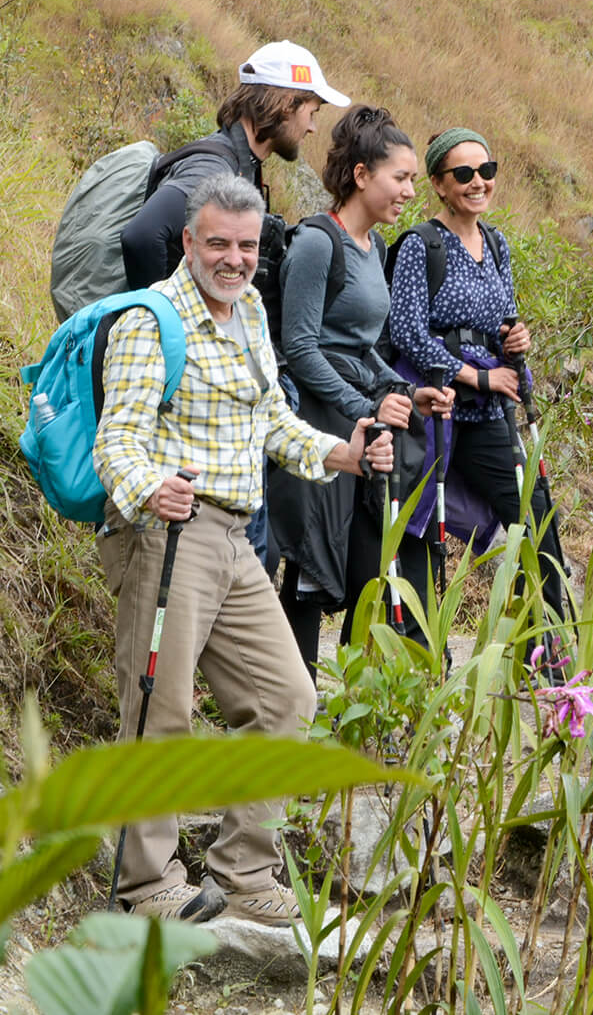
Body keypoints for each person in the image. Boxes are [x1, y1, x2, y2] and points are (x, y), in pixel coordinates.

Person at [93, 172, 392, 925]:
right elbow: (118, 439)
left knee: (287, 699)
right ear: (189, 241)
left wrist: (339, 454)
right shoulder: (150, 320)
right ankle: (145, 883)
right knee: (158, 708)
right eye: (218, 243)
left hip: (235, 540)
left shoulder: (251, 309)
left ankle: (244, 870)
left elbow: (269, 420)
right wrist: (150, 487)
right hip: (169, 536)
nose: (234, 258)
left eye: (247, 246)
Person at [120, 39, 349, 564]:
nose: (313, 126)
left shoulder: (242, 169)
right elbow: (140, 238)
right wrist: (174, 335)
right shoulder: (215, 168)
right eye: (311, 110)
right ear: (284, 102)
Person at [268, 106, 453, 669]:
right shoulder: (318, 244)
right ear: (361, 174)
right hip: (320, 426)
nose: (408, 192)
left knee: (370, 565)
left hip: (362, 423)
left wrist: (401, 390)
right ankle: (292, 716)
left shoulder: (371, 248)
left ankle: (356, 705)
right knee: (310, 566)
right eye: (401, 178)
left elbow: (360, 341)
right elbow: (301, 348)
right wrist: (362, 403)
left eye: (413, 181)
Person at [389, 127, 568, 631]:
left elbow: (505, 318)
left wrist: (516, 340)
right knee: (422, 522)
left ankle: (548, 643)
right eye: (463, 174)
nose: (478, 182)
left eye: (486, 171)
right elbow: (406, 330)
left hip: (489, 411)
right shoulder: (420, 246)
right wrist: (473, 376)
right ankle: (421, 647)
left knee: (534, 509)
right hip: (438, 406)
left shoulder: (496, 242)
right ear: (438, 184)